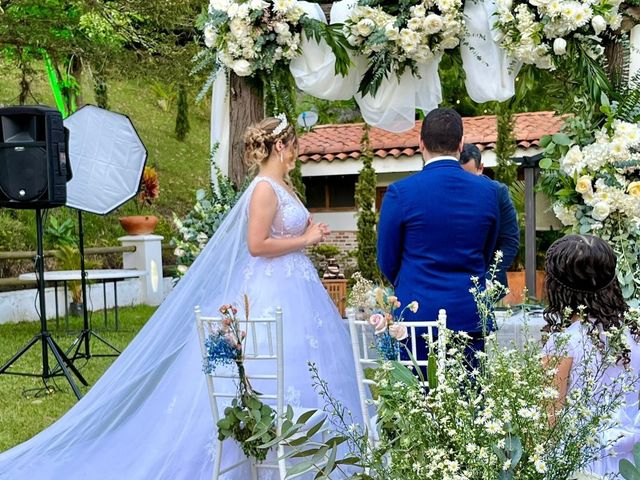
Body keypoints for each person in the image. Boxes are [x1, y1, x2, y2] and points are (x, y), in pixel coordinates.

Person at [0, 115, 361, 479]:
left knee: (305, 365)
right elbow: (256, 244)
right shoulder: (264, 189)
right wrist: (306, 239)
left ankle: (309, 452)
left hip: (295, 288)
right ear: (281, 146)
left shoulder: (282, 185)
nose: (298, 154)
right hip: (273, 288)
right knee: (271, 367)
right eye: (295, 146)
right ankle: (264, 456)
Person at [377, 108, 500, 359]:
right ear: (461, 143)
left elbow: (386, 260)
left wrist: (410, 282)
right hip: (469, 311)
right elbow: (487, 252)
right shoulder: (488, 192)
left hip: (417, 312)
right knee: (470, 394)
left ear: (421, 144)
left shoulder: (401, 193)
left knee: (416, 393)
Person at [542, 235, 640, 477]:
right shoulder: (634, 334)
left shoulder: (563, 343)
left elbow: (548, 419)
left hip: (582, 463)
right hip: (629, 459)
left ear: (556, 287)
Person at [459, 143, 520, 294]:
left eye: (469, 176)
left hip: (486, 282)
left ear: (480, 168)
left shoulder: (498, 193)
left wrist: (489, 279)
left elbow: (510, 241)